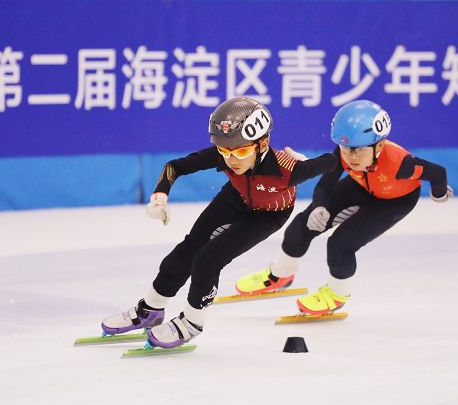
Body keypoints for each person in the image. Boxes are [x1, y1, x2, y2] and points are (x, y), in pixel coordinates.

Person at [101, 97, 337, 348]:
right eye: (224, 151)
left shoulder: (289, 169)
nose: (231, 160)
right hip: (234, 198)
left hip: (268, 214)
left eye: (241, 151)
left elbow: (332, 161)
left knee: (208, 260)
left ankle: (192, 322)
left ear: (263, 143)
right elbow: (174, 167)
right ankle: (150, 310)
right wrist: (160, 195)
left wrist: (304, 162)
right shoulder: (224, 154)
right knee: (186, 251)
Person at [235, 99, 453, 315]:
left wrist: (439, 193)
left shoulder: (401, 165)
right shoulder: (343, 153)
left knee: (340, 244)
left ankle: (337, 295)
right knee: (303, 224)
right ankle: (280, 274)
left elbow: (438, 173)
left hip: (395, 201)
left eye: (359, 150)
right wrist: (320, 207)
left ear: (379, 146)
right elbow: (325, 185)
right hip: (361, 186)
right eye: (346, 149)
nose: (351, 156)